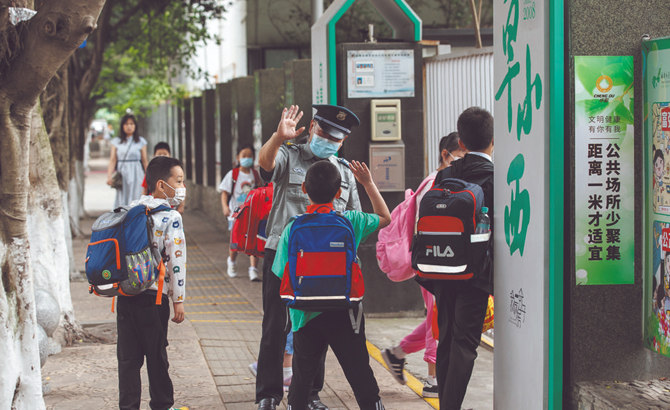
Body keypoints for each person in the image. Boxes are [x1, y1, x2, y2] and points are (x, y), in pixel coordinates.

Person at [255, 104, 362, 410]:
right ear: (313, 127)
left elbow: (352, 220)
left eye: (336, 138)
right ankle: (268, 394)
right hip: (283, 257)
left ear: (342, 142)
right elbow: (265, 167)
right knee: (275, 326)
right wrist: (277, 137)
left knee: (316, 328)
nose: (328, 140)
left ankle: (310, 393)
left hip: (324, 264)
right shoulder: (290, 155)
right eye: (324, 132)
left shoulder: (343, 172)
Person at [273, 161, 391, 410]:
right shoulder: (352, 221)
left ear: (304, 188)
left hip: (304, 313)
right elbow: (385, 217)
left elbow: (281, 271)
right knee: (359, 372)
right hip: (345, 312)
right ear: (339, 193)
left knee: (302, 378)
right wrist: (368, 183)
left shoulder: (292, 227)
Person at [417, 107, 494, 410]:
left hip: (441, 267)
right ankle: (450, 406)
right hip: (476, 272)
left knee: (447, 338)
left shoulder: (445, 174)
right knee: (465, 343)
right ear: (492, 139)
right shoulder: (495, 177)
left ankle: (447, 403)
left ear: (461, 141)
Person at [381, 132, 466, 398]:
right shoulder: (433, 183)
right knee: (437, 318)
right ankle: (432, 380)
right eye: (461, 156)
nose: (464, 162)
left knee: (438, 317)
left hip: (442, 259)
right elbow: (426, 226)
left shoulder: (448, 181)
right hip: (432, 261)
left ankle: (396, 354)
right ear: (446, 155)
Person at [117, 156, 188, 410]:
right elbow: (176, 263)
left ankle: (128, 407)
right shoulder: (171, 217)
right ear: (161, 185)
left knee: (128, 360)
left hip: (125, 296)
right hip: (153, 298)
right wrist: (178, 300)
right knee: (157, 357)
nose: (182, 187)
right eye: (178, 181)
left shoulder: (131, 210)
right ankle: (162, 404)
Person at [218, 144, 262, 281]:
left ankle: (253, 270)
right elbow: (224, 193)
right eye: (244, 156)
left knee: (253, 241)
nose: (247, 158)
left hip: (252, 215)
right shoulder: (233, 174)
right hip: (235, 215)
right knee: (236, 241)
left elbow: (259, 192)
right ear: (238, 158)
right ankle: (232, 262)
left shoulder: (255, 174)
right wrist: (225, 207)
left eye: (250, 156)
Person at [107, 114, 149, 208]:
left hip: (136, 172)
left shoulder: (141, 141)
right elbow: (113, 160)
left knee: (137, 196)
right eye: (126, 124)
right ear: (122, 126)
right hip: (123, 173)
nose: (129, 126)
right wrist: (109, 176)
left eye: (131, 124)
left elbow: (144, 161)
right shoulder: (116, 141)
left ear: (135, 126)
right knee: (122, 198)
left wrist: (149, 176)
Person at [141, 142, 185, 213]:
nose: (162, 156)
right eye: (159, 154)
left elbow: (181, 190)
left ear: (169, 156)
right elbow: (145, 190)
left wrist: (181, 206)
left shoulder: (174, 173)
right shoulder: (150, 173)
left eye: (165, 154)